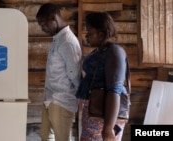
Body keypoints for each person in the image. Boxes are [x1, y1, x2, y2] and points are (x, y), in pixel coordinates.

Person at [76, 12, 130, 141]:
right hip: (95, 113)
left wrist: (108, 128)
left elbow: (114, 91)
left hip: (103, 117)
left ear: (101, 34)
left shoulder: (114, 52)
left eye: (90, 31)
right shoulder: (101, 51)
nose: (86, 35)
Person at [36, 3, 82, 141]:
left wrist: (80, 100)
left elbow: (75, 76)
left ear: (53, 18)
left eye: (44, 25)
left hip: (62, 101)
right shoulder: (58, 39)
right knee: (45, 136)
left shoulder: (68, 42)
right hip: (50, 99)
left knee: (61, 138)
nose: (42, 29)